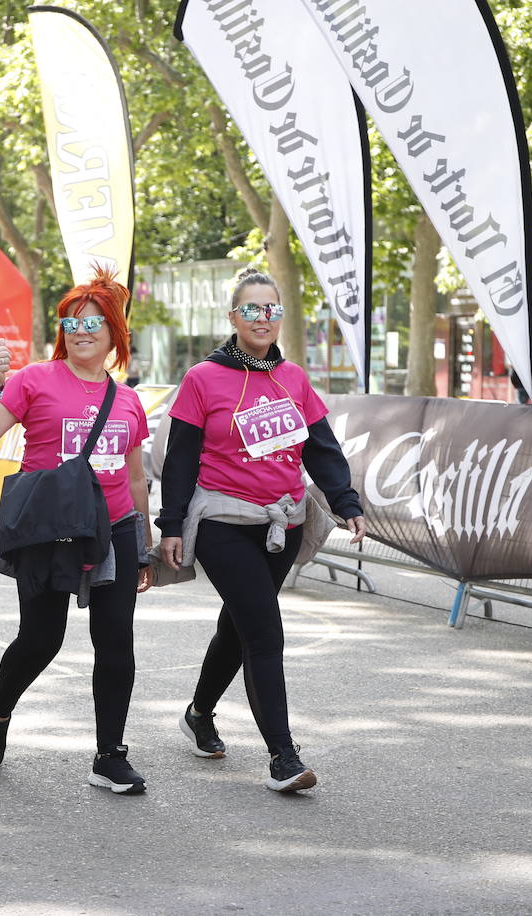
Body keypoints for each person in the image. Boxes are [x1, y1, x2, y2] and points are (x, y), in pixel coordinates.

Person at [156, 267, 366, 793]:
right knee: (265, 631)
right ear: (233, 317)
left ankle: (199, 713)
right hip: (224, 523)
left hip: (283, 524)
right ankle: (283, 756)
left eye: (271, 309)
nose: (263, 318)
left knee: (240, 624)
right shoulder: (203, 378)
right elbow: (180, 459)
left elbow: (320, 446)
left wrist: (344, 500)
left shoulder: (293, 377)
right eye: (251, 309)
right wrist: (172, 524)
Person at [0, 269, 154, 794]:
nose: (82, 330)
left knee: (115, 640)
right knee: (42, 639)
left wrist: (143, 547)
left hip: (113, 527)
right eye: (72, 322)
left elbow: (135, 476)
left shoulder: (129, 401)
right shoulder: (34, 380)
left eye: (94, 321)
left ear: (114, 331)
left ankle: (110, 755)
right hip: (50, 530)